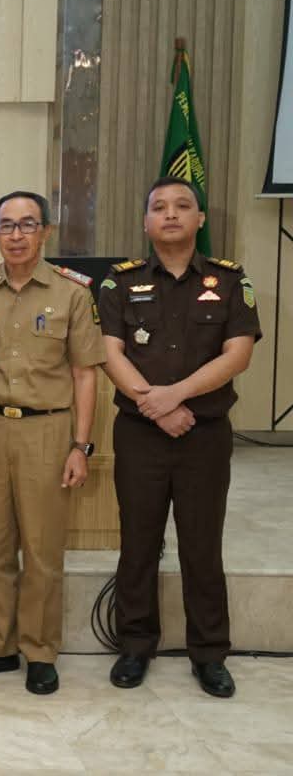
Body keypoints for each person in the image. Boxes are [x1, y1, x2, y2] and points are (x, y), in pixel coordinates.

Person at [99, 177, 260, 698]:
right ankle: (135, 645)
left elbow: (238, 354)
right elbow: (110, 354)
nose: (170, 214)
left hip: (204, 434)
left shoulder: (230, 281)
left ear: (200, 219)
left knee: (202, 544)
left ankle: (209, 654)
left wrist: (176, 397)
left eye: (182, 206)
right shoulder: (118, 283)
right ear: (146, 222)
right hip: (139, 434)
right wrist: (156, 407)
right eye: (159, 207)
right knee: (138, 542)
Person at [0, 190, 105, 695]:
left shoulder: (72, 293)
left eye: (27, 225)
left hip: (47, 431)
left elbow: (85, 375)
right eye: (7, 225)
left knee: (41, 548)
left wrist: (80, 446)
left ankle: (39, 650)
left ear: (46, 232)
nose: (16, 235)